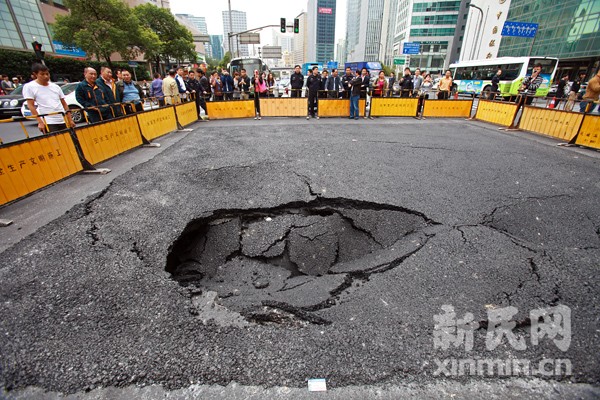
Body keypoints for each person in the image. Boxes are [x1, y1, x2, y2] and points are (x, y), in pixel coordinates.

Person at [23, 63, 75, 133]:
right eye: (42, 74)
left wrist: (70, 119)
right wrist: (40, 122)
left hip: (62, 119)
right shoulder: (30, 87)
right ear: (35, 74)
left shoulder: (55, 86)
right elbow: (31, 105)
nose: (46, 76)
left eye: (47, 74)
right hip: (48, 121)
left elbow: (64, 103)